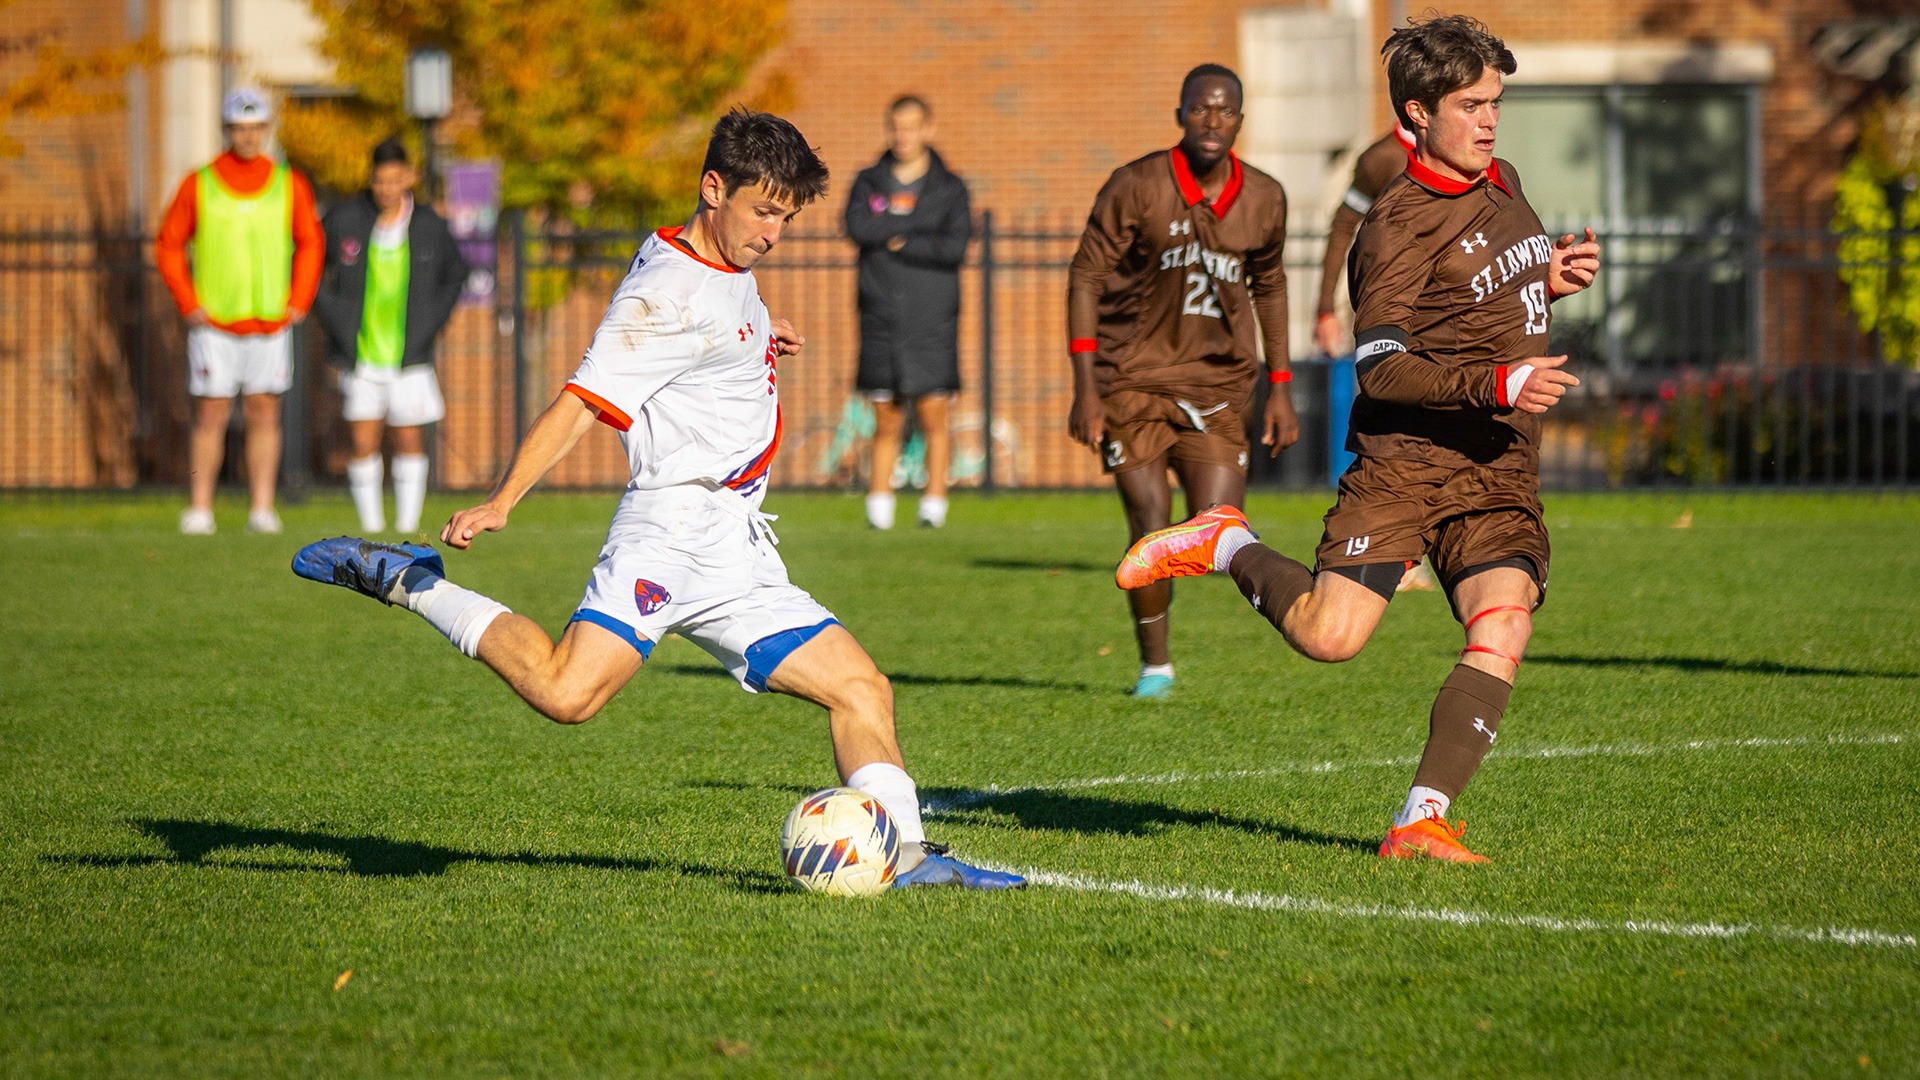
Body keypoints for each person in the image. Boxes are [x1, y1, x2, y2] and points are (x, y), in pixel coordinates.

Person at [292, 109, 1022, 891]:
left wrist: (756, 338)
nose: (774, 232)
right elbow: (580, 400)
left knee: (860, 688)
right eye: (764, 211)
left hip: (734, 544)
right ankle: (414, 581)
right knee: (568, 695)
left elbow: (709, 327)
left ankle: (907, 857)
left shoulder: (716, 263)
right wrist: (502, 499)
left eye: (786, 215)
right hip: (669, 532)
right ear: (714, 189)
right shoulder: (663, 294)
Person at [1118, 15, 1602, 862]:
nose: (1490, 121)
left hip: (1494, 466)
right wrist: (1498, 381)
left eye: (1496, 102)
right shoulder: (1396, 228)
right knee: (1327, 637)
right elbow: (1382, 368)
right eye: (1470, 105)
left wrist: (1545, 281)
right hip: (1406, 465)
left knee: (1505, 616)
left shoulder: (1506, 181)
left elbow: (1483, 300)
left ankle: (1422, 818)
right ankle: (1226, 541)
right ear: (1416, 115)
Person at [1067, 64, 1299, 699]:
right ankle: (1155, 667)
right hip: (1130, 381)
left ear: (1241, 122)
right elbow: (1086, 274)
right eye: (1201, 109)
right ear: (1180, 114)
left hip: (1219, 386)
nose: (1213, 122)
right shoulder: (1137, 185)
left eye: (1225, 111)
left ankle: (1302, 616)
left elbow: (1272, 285)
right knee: (1149, 521)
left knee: (1219, 522)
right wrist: (1085, 386)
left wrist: (1281, 385)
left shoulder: (1265, 198)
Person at [158, 86, 324, 535]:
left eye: (256, 128)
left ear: (266, 130)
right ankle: (200, 508)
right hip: (214, 324)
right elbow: (169, 244)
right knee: (210, 413)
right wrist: (188, 301)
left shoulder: (290, 183)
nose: (248, 137)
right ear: (227, 130)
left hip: (270, 323)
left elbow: (310, 241)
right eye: (239, 128)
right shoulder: (200, 182)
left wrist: (299, 299)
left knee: (264, 412)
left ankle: (262, 508)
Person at [314, 138, 472, 534]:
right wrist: (334, 316)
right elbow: (312, 266)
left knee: (408, 439)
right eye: (380, 181)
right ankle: (370, 525)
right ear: (371, 179)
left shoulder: (429, 225)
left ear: (410, 177)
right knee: (362, 440)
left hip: (410, 355)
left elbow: (455, 276)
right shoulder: (345, 218)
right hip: (361, 354)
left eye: (395, 180)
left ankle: (406, 525)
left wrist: (431, 321)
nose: (387, 189)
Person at [1314, 123, 1440, 594]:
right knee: (1392, 426)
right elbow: (1342, 228)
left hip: (1446, 313)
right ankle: (1376, 544)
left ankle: (1412, 547)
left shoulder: (1464, 151)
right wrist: (1325, 307)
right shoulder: (1382, 158)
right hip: (1392, 314)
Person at [845, 95, 972, 529]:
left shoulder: (950, 187)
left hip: (933, 317)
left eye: (912, 126)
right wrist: (914, 229)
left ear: (928, 129)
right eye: (896, 126)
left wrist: (897, 239)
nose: (904, 135)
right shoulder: (868, 181)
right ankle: (879, 507)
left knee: (934, 413)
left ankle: (933, 505)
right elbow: (858, 227)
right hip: (880, 317)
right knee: (886, 417)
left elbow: (954, 246)